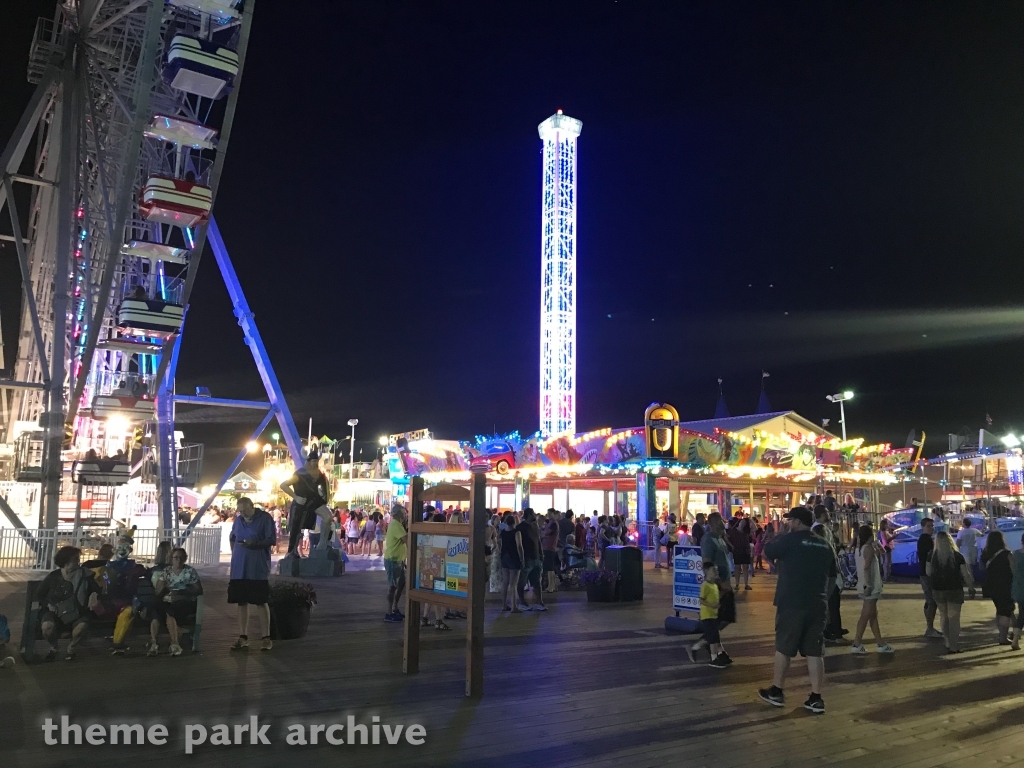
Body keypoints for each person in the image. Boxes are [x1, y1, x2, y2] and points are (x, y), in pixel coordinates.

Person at [757, 507, 834, 714]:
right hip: (817, 604)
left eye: (790, 520)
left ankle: (777, 690)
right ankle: (816, 697)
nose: (788, 523)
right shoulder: (825, 544)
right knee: (814, 651)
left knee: (784, 647)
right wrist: (823, 596)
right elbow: (833, 576)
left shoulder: (789, 540)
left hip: (791, 602)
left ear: (798, 522)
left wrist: (779, 536)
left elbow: (765, 552)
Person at [228, 497, 276, 651]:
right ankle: (243, 637)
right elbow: (232, 537)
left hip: (257, 568)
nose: (243, 514)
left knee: (261, 601)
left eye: (246, 510)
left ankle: (266, 637)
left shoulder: (265, 518)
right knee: (241, 602)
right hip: (239, 569)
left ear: (252, 506)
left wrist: (254, 544)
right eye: (240, 511)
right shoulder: (238, 520)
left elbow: (271, 539)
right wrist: (235, 554)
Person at [36, 546, 100, 661]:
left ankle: (71, 648)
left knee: (81, 627)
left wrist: (94, 594)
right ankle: (54, 647)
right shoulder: (54, 576)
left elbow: (96, 589)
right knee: (47, 627)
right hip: (55, 612)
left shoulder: (85, 575)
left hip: (78, 611)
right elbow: (39, 594)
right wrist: (48, 604)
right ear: (66, 561)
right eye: (75, 559)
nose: (78, 561)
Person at [850, 524, 895, 654]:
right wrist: (868, 585)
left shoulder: (859, 549)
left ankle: (880, 643)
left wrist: (877, 545)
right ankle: (856, 643)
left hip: (863, 584)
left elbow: (882, 551)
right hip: (870, 586)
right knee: (866, 615)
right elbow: (867, 568)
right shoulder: (868, 548)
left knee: (872, 615)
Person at [927, 530, 973, 653]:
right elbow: (965, 574)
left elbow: (928, 572)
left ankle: (947, 641)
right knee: (954, 618)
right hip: (954, 589)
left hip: (938, 589)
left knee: (943, 615)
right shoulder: (957, 556)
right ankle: (954, 645)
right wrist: (970, 587)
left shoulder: (931, 555)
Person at [152, 548, 202, 656]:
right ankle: (155, 643)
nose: (178, 560)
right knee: (159, 611)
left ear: (185, 559)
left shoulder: (190, 571)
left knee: (168, 610)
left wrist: (183, 592)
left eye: (181, 557)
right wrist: (164, 588)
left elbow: (199, 590)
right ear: (171, 559)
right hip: (168, 600)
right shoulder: (166, 571)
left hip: (184, 601)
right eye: (176, 557)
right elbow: (158, 591)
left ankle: (172, 643)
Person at [280, 451, 331, 556]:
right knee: (296, 528)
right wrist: (295, 497)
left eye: (316, 461)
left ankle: (323, 544)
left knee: (328, 516)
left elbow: (325, 487)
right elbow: (283, 485)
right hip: (301, 502)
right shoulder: (300, 474)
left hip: (314, 501)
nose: (315, 463)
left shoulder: (319, 474)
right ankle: (292, 551)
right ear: (308, 461)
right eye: (313, 461)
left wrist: (324, 497)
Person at [686, 562, 729, 669]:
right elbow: (701, 600)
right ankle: (714, 659)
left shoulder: (714, 585)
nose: (716, 572)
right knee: (713, 639)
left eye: (716, 570)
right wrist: (712, 605)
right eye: (713, 570)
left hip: (713, 616)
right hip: (707, 616)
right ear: (706, 571)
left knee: (714, 638)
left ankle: (717, 656)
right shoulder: (705, 585)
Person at [812, 506, 845, 642]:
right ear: (822, 514)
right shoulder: (819, 529)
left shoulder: (820, 528)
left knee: (831, 602)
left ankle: (831, 629)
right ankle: (834, 631)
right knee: (832, 602)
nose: (828, 514)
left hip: (828, 571)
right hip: (828, 572)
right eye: (826, 512)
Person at [980, 531, 1016, 645]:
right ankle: (1003, 637)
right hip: (1006, 586)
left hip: (992, 586)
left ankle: (1002, 634)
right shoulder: (1007, 554)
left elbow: (981, 568)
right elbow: (1014, 570)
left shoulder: (985, 554)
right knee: (1005, 611)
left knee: (1000, 609)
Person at [917, 518, 942, 639]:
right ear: (923, 527)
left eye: (932, 526)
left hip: (927, 573)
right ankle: (929, 627)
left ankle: (930, 627)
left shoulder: (926, 539)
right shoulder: (925, 540)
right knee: (931, 600)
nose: (931, 528)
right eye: (929, 526)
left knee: (930, 600)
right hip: (927, 574)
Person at [517, 508, 547, 611]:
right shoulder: (521, 527)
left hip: (535, 558)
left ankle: (539, 602)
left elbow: (538, 541)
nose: (535, 516)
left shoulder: (534, 526)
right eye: (533, 514)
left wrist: (541, 554)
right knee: (523, 581)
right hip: (527, 558)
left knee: (536, 581)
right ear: (529, 515)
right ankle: (523, 602)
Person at [383, 505, 408, 622]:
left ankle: (395, 608)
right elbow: (407, 540)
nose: (405, 515)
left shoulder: (398, 525)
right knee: (392, 586)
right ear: (399, 514)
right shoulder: (396, 524)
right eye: (404, 513)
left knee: (401, 584)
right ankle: (389, 612)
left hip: (399, 560)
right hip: (392, 560)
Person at [499, 512, 525, 612]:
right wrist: (522, 558)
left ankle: (504, 605)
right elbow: (519, 546)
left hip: (504, 556)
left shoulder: (503, 532)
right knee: (513, 583)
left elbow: (500, 544)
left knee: (505, 582)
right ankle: (514, 606)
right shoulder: (516, 532)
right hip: (514, 557)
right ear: (514, 522)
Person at [956, 517, 979, 597]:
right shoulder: (974, 530)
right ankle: (972, 583)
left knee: (967, 568)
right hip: (974, 549)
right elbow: (982, 534)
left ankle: (971, 585)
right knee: (971, 566)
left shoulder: (961, 532)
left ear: (964, 524)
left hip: (965, 550)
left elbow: (958, 542)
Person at [727, 516, 752, 590]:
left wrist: (750, 520)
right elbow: (726, 537)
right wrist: (732, 546)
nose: (743, 523)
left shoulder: (746, 531)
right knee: (737, 567)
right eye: (741, 522)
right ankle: (737, 584)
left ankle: (746, 584)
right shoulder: (734, 530)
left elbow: (755, 528)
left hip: (745, 550)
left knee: (745, 567)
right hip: (737, 550)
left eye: (744, 523)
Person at [1010, 537, 1024, 651]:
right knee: (1022, 615)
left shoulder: (1015, 554)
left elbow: (1013, 571)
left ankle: (1015, 636)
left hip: (1018, 587)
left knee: (1022, 612)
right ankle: (1015, 639)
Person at [541, 510, 560, 593]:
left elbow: (547, 533)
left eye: (550, 513)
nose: (548, 515)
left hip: (550, 547)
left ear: (554, 514)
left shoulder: (554, 524)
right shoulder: (550, 523)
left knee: (550, 568)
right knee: (549, 568)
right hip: (547, 547)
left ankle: (551, 586)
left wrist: (542, 534)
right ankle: (551, 585)